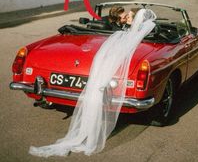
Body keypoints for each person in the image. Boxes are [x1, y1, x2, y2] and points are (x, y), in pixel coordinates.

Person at [29, 8, 156, 157]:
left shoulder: (124, 31)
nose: (126, 17)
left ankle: (86, 128)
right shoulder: (138, 30)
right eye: (126, 15)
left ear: (136, 20)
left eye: (129, 16)